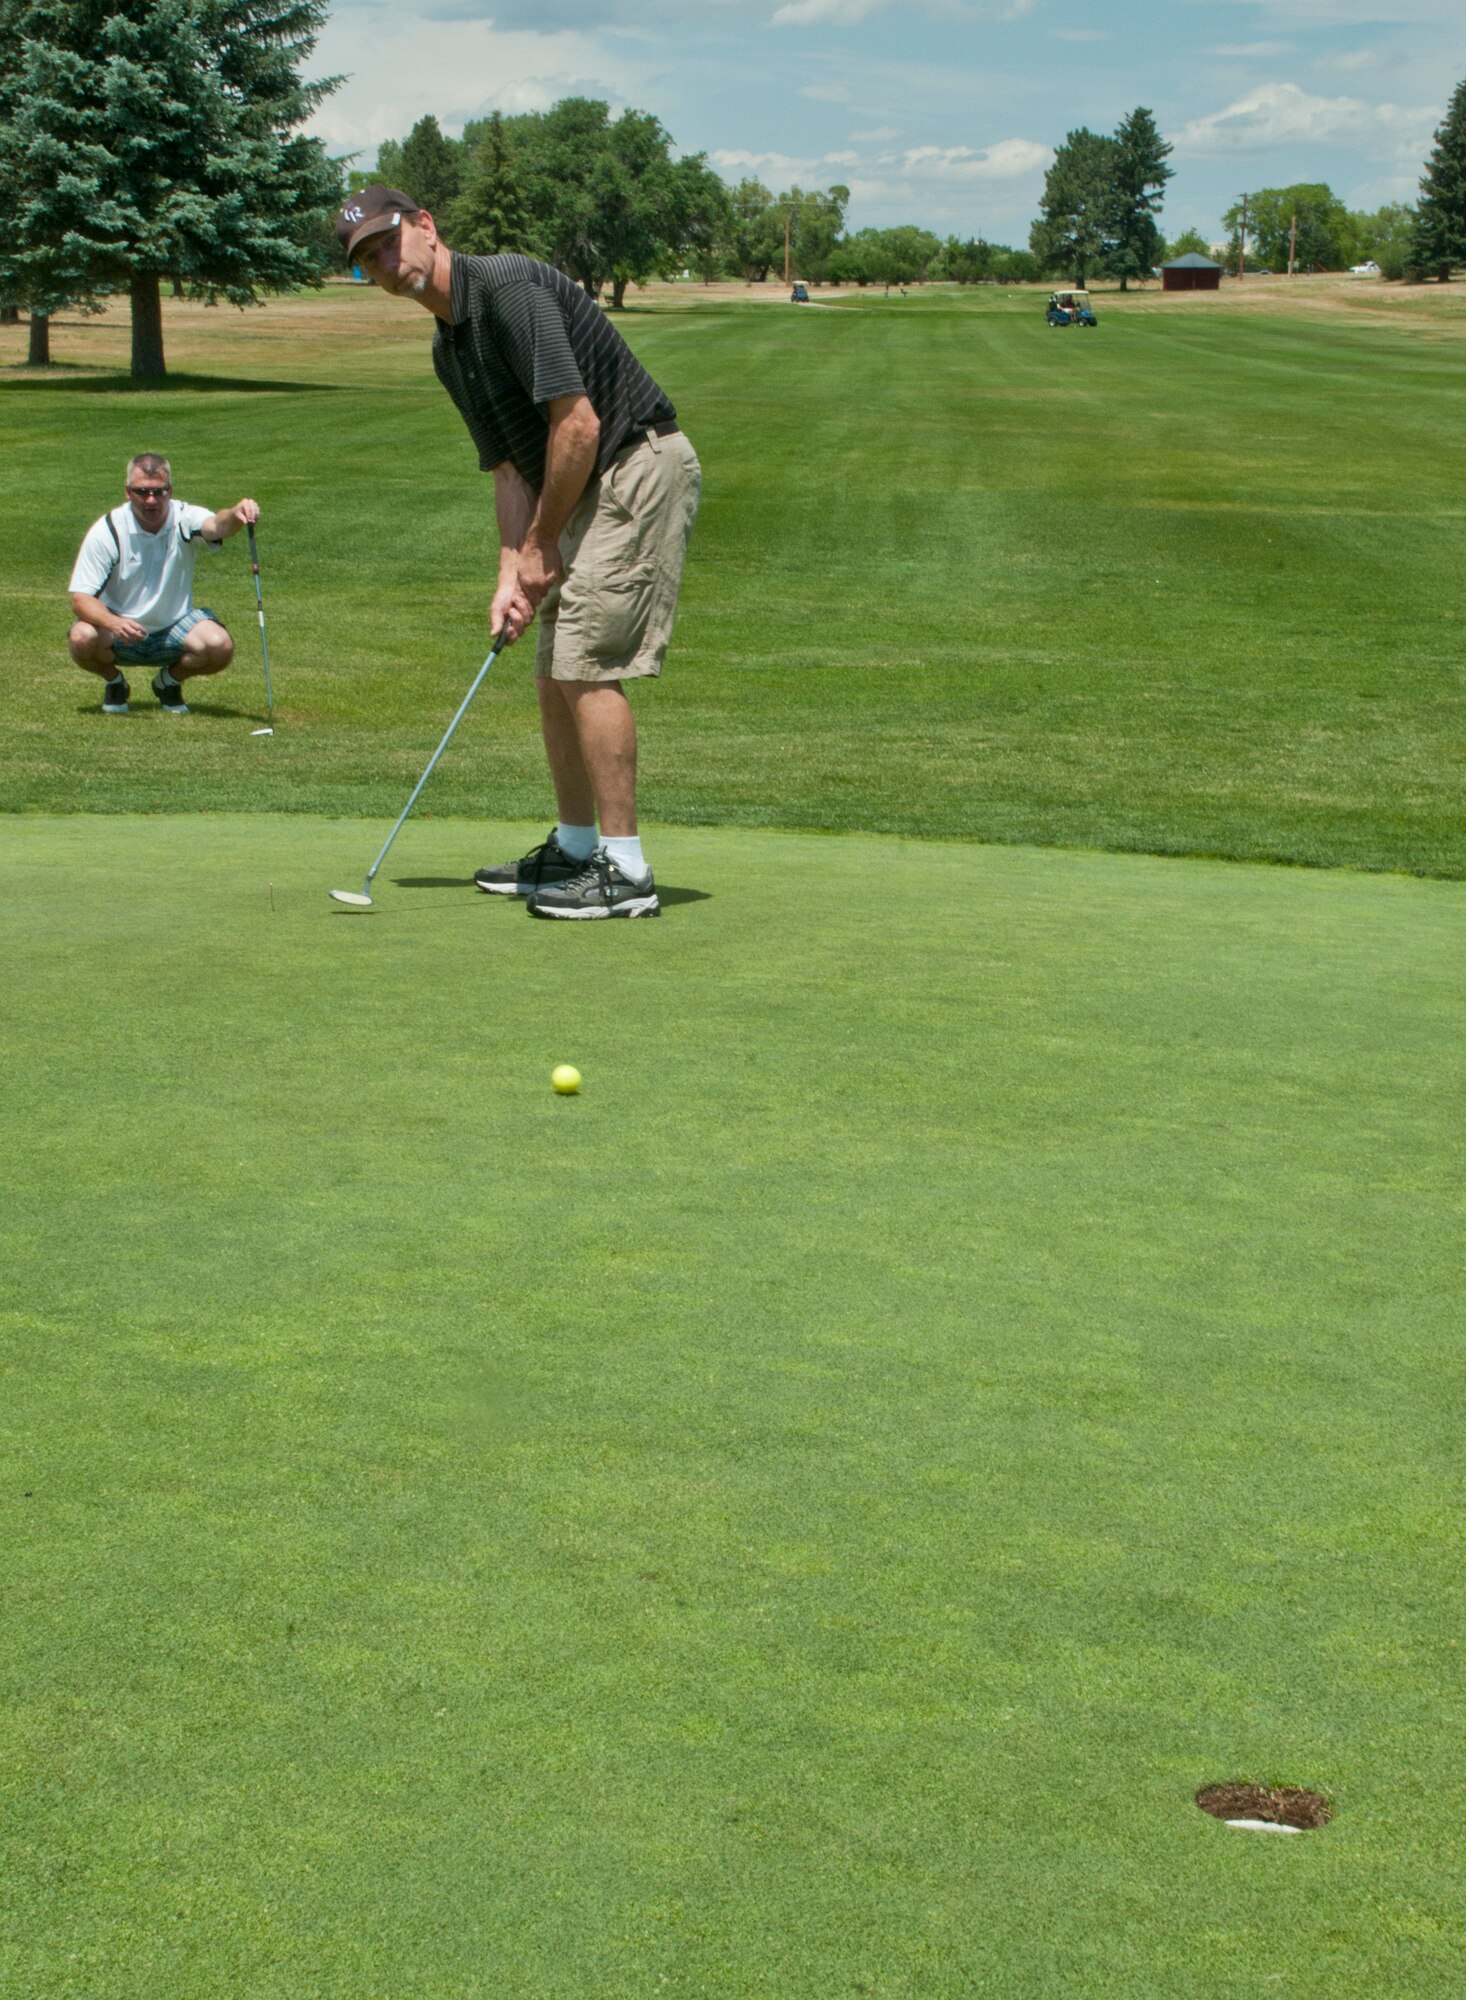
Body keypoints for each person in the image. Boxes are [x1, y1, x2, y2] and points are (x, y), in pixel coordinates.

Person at [336, 186, 702, 920]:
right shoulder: (450, 348)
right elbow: (510, 468)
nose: (384, 261)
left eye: (389, 240)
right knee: (549, 667)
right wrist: (512, 574)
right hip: (578, 482)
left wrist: (540, 545)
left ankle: (625, 872)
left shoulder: (505, 289)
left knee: (586, 658)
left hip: (634, 462)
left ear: (426, 227)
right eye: (366, 259)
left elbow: (579, 426)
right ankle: (573, 848)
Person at [68, 455, 260, 715]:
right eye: (142, 492)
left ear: (170, 491)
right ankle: (114, 682)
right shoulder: (108, 530)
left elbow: (217, 525)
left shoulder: (185, 517)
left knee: (220, 647)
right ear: (127, 492)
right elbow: (80, 598)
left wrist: (236, 515)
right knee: (81, 638)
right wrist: (113, 623)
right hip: (120, 628)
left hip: (174, 626)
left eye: (159, 492)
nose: (151, 500)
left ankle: (168, 682)